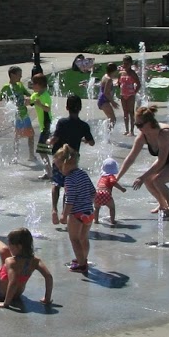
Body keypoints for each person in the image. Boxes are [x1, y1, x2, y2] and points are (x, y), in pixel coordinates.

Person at [116, 104, 169, 218]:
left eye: (140, 125)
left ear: (150, 123)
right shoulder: (142, 136)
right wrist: (117, 178)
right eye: (136, 125)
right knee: (148, 179)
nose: (138, 128)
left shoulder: (164, 133)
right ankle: (162, 205)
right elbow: (131, 158)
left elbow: (161, 161)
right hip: (165, 159)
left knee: (158, 180)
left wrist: (141, 177)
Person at [0, 224, 53, 309]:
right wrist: (47, 299)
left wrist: (6, 303)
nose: (9, 246)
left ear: (19, 246)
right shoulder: (36, 261)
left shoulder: (11, 262)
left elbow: (13, 283)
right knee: (4, 250)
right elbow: (49, 277)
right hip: (17, 294)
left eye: (10, 244)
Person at [48, 94, 95, 225]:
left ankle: (54, 210)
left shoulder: (62, 122)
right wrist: (83, 139)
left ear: (67, 107)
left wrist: (49, 141)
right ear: (80, 108)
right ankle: (65, 214)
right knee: (68, 186)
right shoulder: (83, 126)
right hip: (72, 161)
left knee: (56, 184)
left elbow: (55, 138)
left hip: (59, 159)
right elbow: (92, 142)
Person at [54, 144, 97, 273]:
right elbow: (93, 193)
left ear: (65, 165)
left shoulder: (69, 179)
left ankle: (82, 264)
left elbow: (70, 200)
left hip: (76, 214)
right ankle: (83, 258)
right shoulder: (83, 174)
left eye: (59, 167)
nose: (59, 171)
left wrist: (64, 215)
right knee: (84, 238)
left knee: (74, 239)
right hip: (88, 212)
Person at [0, 65, 36, 161]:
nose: (21, 77)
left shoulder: (20, 85)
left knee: (31, 135)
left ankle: (31, 155)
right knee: (17, 136)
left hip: (24, 114)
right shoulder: (6, 87)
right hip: (16, 116)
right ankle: (15, 156)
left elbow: (28, 95)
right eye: (19, 75)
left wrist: (34, 98)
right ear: (12, 75)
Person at [27, 70, 54, 175]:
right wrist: (27, 101)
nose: (31, 85)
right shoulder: (36, 94)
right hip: (43, 127)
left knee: (42, 151)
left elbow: (47, 108)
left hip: (47, 125)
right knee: (45, 151)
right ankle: (50, 171)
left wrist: (39, 104)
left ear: (39, 85)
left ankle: (50, 172)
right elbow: (31, 101)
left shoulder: (45, 96)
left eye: (33, 83)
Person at [94, 156, 126, 225]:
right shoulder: (111, 176)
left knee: (96, 208)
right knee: (112, 208)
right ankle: (112, 221)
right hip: (106, 193)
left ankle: (96, 220)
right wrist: (121, 189)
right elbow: (113, 182)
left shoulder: (102, 177)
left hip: (97, 193)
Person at [117, 55, 141, 130]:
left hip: (131, 95)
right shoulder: (121, 73)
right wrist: (121, 89)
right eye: (124, 63)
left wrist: (134, 92)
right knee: (125, 113)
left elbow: (139, 84)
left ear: (130, 64)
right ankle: (126, 129)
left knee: (131, 112)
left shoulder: (132, 73)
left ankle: (132, 130)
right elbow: (119, 83)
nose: (125, 65)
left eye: (127, 63)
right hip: (123, 95)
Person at [96, 63, 119, 129]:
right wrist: (113, 102)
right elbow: (106, 92)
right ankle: (107, 135)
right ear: (114, 71)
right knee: (113, 119)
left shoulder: (105, 76)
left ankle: (106, 134)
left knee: (110, 118)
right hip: (104, 100)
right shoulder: (109, 79)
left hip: (102, 100)